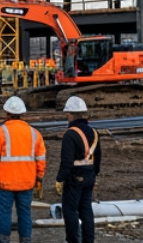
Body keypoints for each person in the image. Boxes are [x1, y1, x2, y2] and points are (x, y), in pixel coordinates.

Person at [0, 95, 46, 243]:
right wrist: (39, 178)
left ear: (6, 113)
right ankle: (26, 240)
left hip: (5, 182)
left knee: (5, 214)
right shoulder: (34, 133)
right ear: (22, 114)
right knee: (25, 213)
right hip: (27, 181)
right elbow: (41, 158)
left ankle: (4, 240)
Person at [54, 95, 100, 243]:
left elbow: (66, 162)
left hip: (74, 177)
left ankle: (73, 240)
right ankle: (89, 240)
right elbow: (98, 157)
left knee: (70, 210)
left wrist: (60, 179)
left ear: (71, 114)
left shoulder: (70, 135)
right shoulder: (93, 132)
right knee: (86, 210)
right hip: (90, 175)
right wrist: (94, 173)